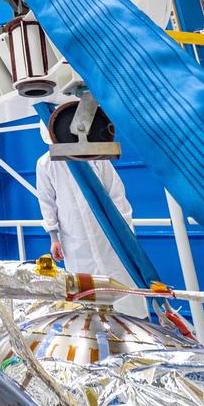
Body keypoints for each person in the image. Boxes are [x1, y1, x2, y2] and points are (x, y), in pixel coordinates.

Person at [35, 126, 146, 318]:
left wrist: (124, 230)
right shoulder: (45, 163)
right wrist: (54, 237)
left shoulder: (93, 155)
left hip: (108, 235)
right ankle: (91, 331)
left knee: (122, 285)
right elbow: (47, 201)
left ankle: (133, 325)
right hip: (75, 238)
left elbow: (116, 192)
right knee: (85, 291)